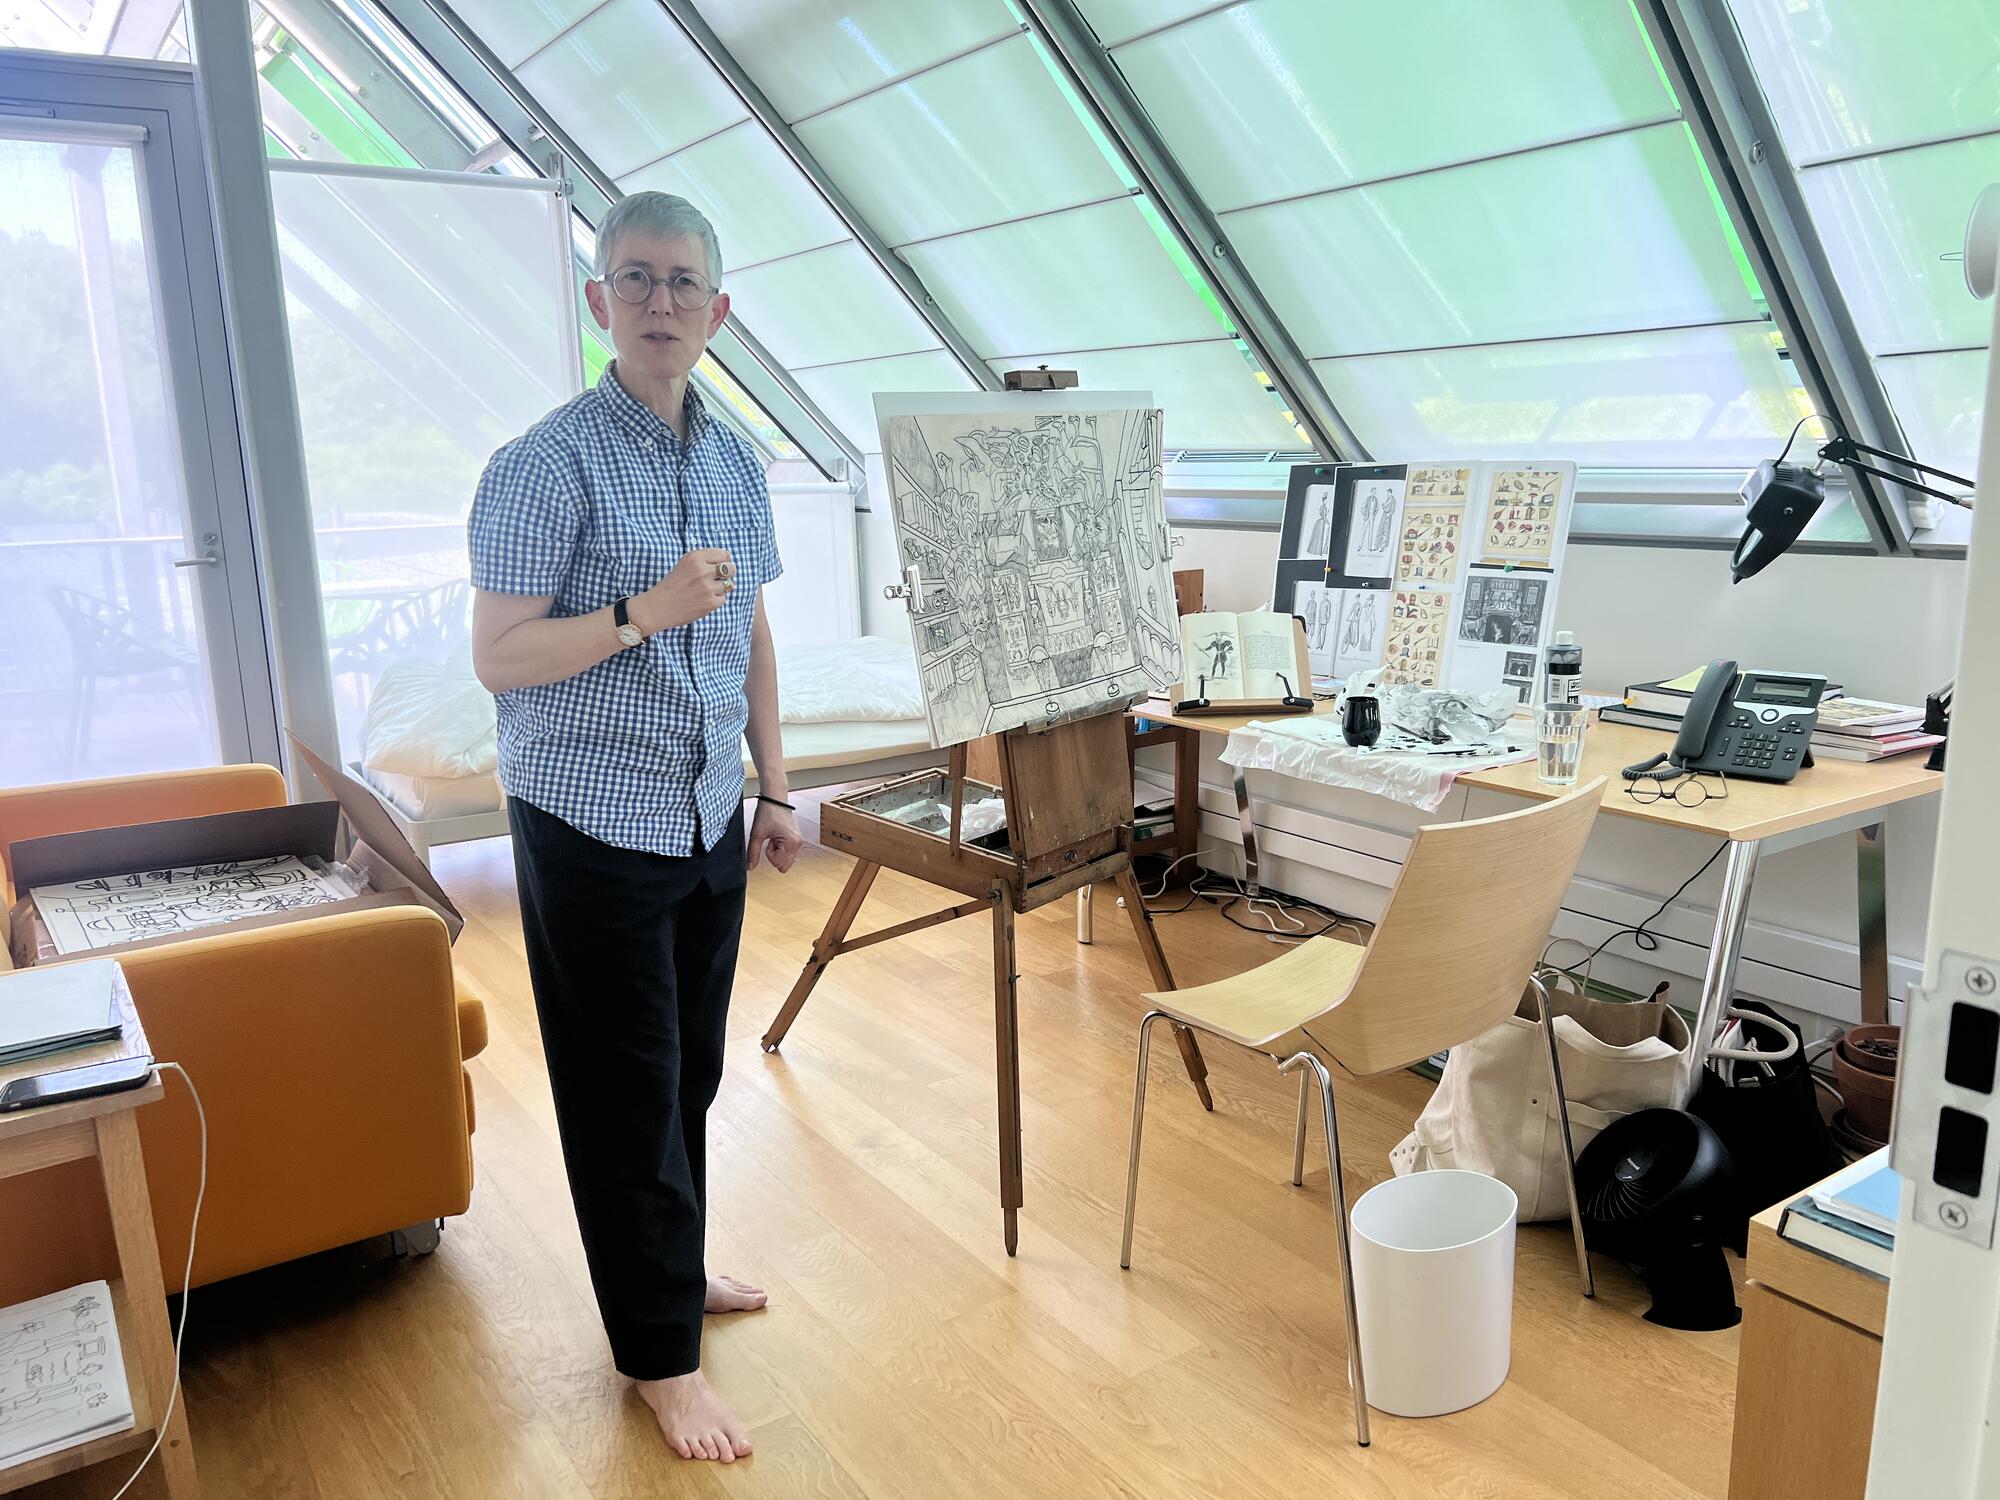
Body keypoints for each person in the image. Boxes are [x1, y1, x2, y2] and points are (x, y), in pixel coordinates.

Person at [467, 191, 801, 1465]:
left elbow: (753, 630)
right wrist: (641, 610)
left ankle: (674, 1268)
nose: (660, 303)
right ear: (598, 301)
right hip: (588, 821)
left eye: (683, 283)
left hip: (707, 809)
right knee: (622, 1091)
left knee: (691, 1075)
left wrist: (773, 785)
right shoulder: (540, 464)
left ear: (718, 310)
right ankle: (658, 1357)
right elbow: (498, 658)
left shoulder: (733, 459)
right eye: (635, 279)